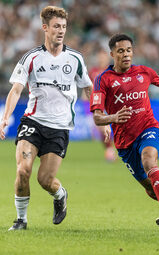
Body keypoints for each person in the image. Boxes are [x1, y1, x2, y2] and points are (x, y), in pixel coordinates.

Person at [0, 6, 110, 231]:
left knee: (45, 180)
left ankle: (60, 194)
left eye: (64, 27)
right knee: (23, 171)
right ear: (45, 28)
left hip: (59, 128)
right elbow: (16, 90)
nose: (61, 31)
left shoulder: (76, 59)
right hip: (33, 122)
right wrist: (4, 119)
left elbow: (89, 89)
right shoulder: (31, 58)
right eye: (56, 26)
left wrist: (101, 115)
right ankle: (21, 220)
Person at [90, 33, 159, 233]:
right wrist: (113, 118)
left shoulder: (144, 72)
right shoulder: (103, 80)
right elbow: (97, 117)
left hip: (148, 129)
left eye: (129, 50)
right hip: (124, 142)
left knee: (149, 160)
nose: (126, 54)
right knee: (149, 187)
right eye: (121, 51)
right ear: (112, 54)